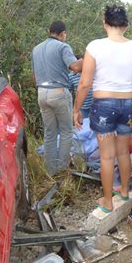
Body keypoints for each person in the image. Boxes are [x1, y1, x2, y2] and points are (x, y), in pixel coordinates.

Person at [73, 5, 132, 213]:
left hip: (103, 105)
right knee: (123, 151)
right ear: (126, 25)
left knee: (106, 156)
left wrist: (76, 109)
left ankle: (107, 200)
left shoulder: (94, 47)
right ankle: (123, 189)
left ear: (104, 23)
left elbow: (85, 83)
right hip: (129, 105)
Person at [31, 20, 83, 175]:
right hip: (59, 91)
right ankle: (62, 169)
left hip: (41, 92)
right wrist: (87, 57)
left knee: (50, 133)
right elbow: (75, 67)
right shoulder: (62, 46)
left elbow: (33, 78)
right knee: (67, 131)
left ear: (49, 31)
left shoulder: (36, 49)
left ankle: (50, 171)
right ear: (63, 34)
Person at [69, 54, 93, 119]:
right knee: (84, 126)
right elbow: (69, 91)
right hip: (82, 107)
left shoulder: (92, 72)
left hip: (95, 105)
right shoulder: (71, 76)